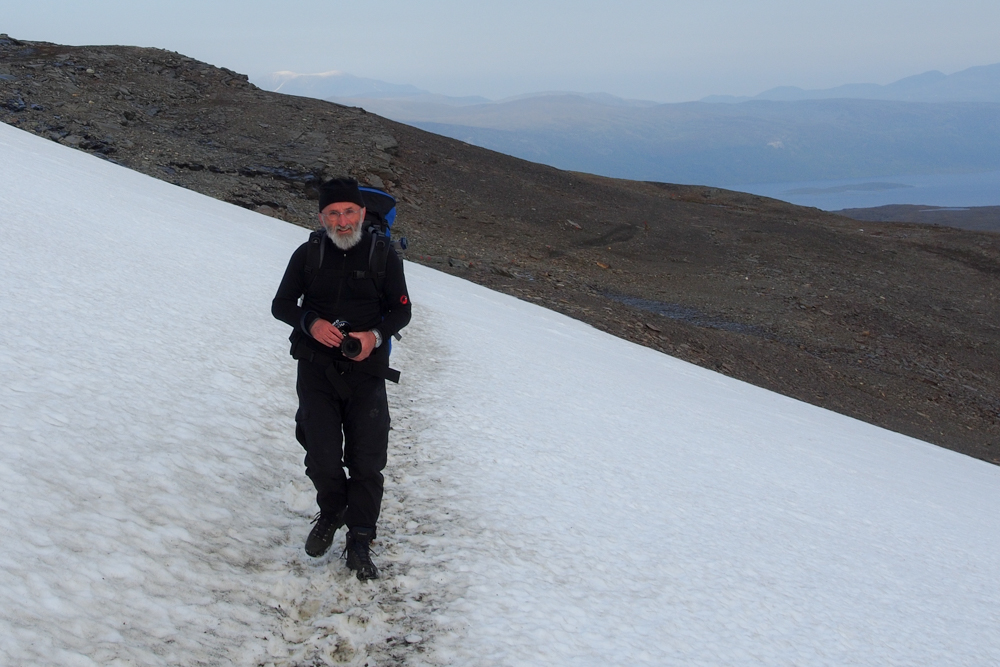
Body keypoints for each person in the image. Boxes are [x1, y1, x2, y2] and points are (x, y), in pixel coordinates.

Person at [271, 177, 411, 580]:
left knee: (367, 460)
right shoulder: (307, 254)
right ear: (321, 217)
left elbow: (401, 311)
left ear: (363, 214)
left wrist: (374, 336)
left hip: (367, 372)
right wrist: (310, 322)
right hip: (315, 368)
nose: (342, 221)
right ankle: (332, 511)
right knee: (321, 454)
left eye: (349, 211)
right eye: (333, 213)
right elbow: (281, 304)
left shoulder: (384, 256)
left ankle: (360, 540)